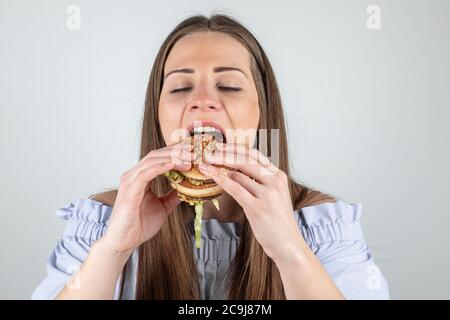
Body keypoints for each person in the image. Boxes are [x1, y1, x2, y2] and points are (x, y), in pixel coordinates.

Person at [31, 14, 389, 300]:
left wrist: (289, 249)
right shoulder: (102, 224)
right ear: (157, 114)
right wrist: (114, 249)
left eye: (230, 86)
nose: (202, 100)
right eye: (181, 87)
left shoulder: (323, 229)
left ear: (263, 110)